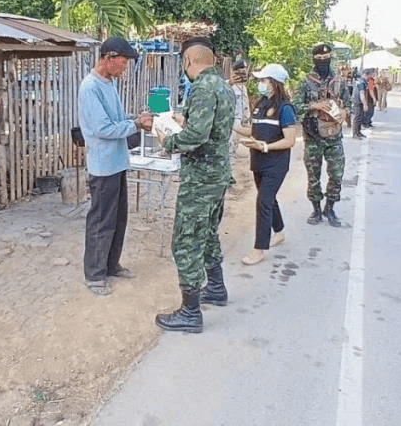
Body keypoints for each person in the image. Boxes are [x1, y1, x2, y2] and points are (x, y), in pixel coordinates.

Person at [155, 37, 234, 333]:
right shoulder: (223, 86)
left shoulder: (202, 87)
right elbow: (211, 126)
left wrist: (169, 140)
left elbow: (197, 135)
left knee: (186, 241)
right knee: (208, 234)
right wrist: (183, 118)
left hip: (200, 178)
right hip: (218, 175)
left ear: (189, 61)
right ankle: (215, 287)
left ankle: (190, 312)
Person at [78, 36, 153, 297]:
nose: (124, 69)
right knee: (101, 220)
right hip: (102, 165)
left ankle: (111, 264)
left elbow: (117, 119)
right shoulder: (90, 87)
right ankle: (95, 274)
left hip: (117, 162)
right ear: (107, 59)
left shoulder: (108, 83)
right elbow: (103, 128)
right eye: (122, 63)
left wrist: (135, 117)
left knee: (119, 217)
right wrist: (136, 125)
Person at [231, 64, 297, 266]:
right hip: (258, 160)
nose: (260, 84)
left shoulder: (285, 109)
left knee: (263, 202)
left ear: (275, 83)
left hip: (275, 164)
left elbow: (290, 139)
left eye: (263, 80)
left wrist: (267, 147)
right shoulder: (261, 104)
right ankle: (279, 231)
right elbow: (254, 129)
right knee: (268, 198)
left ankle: (259, 249)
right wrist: (231, 125)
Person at [294, 43, 348, 227]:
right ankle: (316, 210)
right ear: (314, 60)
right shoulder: (306, 82)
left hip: (334, 137)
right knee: (313, 175)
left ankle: (330, 208)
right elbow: (294, 108)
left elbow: (348, 105)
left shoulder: (339, 81)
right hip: (313, 137)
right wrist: (313, 106)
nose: (323, 62)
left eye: (326, 59)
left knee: (337, 173)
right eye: (320, 60)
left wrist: (344, 114)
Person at [228, 59, 251, 161]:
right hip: (231, 122)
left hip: (240, 123)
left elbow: (245, 106)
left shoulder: (243, 88)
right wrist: (230, 82)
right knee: (229, 150)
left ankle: (230, 174)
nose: (243, 73)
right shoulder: (228, 86)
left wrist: (247, 121)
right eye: (240, 71)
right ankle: (229, 175)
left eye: (244, 71)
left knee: (234, 148)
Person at [351, 68, 369, 139]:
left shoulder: (360, 81)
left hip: (357, 101)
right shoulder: (361, 82)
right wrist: (365, 104)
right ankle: (355, 134)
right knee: (357, 118)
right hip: (357, 102)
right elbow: (361, 94)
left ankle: (358, 132)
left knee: (359, 117)